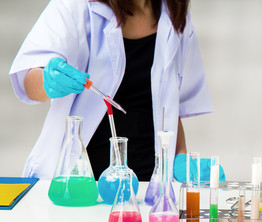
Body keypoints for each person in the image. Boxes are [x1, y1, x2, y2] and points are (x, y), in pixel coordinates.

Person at [9, 0, 224, 182]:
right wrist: (48, 81)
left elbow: (170, 103)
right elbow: (29, 83)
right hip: (83, 181)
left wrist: (180, 157)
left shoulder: (175, 13)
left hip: (149, 184)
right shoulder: (77, 6)